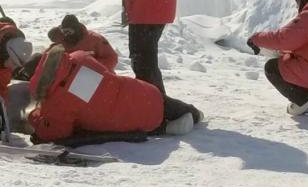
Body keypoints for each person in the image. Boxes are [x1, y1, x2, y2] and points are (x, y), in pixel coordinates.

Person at [25, 44, 202, 143]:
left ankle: (165, 128)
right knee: (158, 103)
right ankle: (193, 113)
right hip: (143, 92)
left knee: (135, 120)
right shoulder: (79, 57)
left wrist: (34, 116)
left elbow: (55, 132)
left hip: (132, 120)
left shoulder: (57, 101)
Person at [46, 14, 119, 71]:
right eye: (64, 32)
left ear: (76, 30)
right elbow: (48, 56)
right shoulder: (62, 40)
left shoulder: (95, 39)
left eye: (69, 31)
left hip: (94, 76)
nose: (66, 35)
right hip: (70, 77)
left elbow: (112, 58)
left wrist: (93, 67)